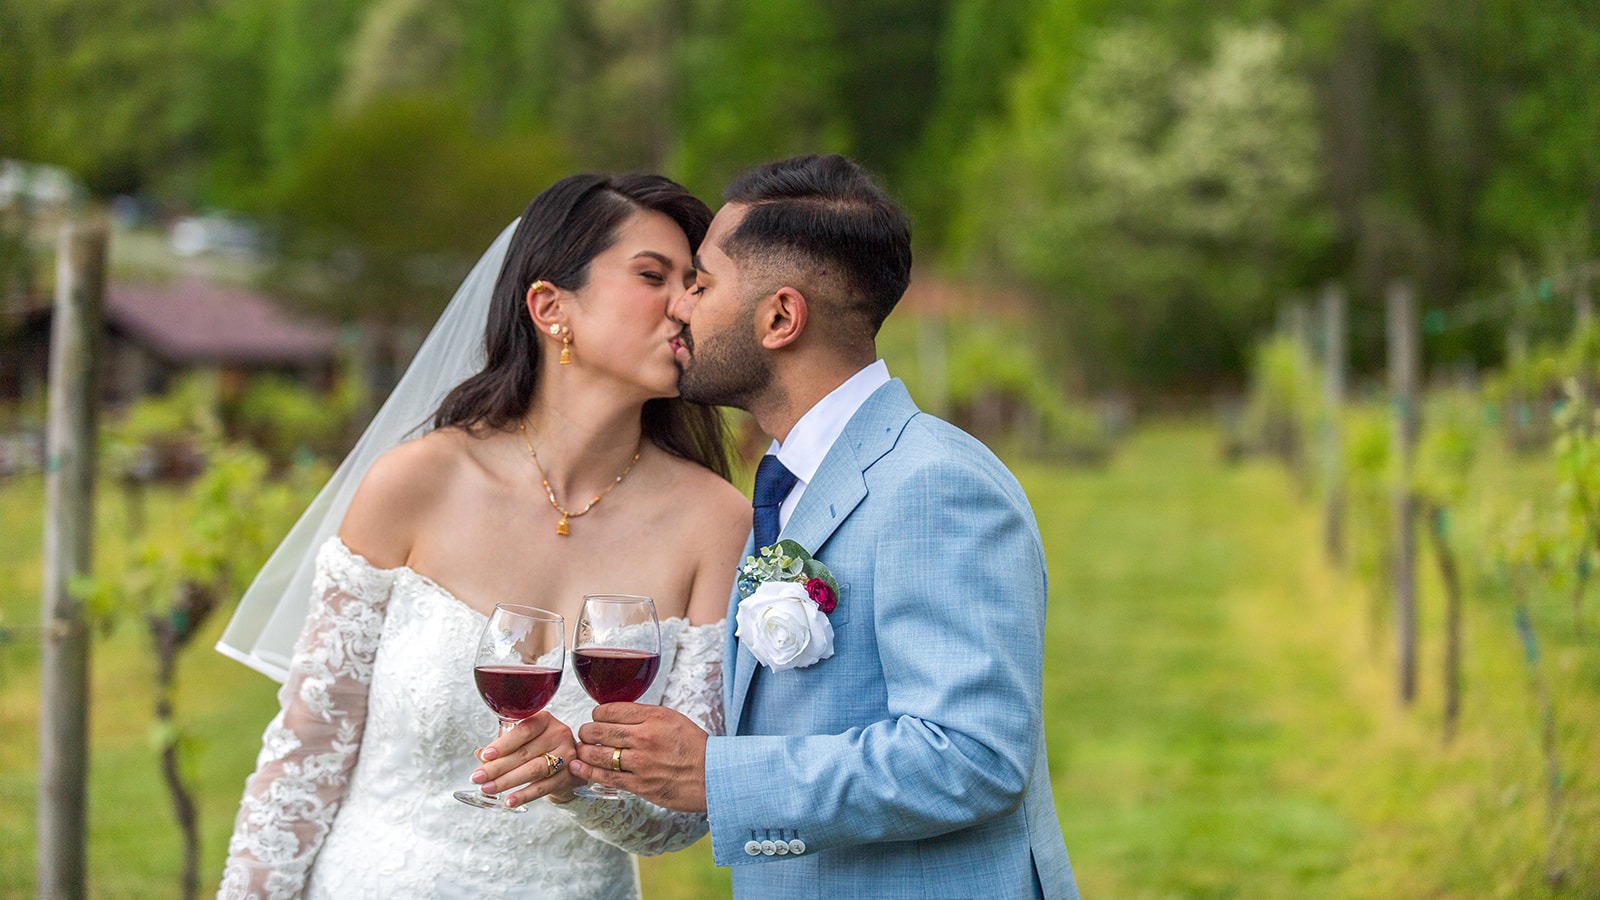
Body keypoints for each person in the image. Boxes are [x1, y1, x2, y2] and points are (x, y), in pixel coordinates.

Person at [478, 154, 1079, 897]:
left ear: (780, 318)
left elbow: (970, 757)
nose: (680, 309)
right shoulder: (791, 485)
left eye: (700, 283)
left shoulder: (933, 485)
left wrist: (717, 773)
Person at [215, 173, 751, 899]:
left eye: (693, 284)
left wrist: (580, 785)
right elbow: (303, 757)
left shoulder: (717, 523)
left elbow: (689, 807)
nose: (683, 305)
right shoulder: (415, 484)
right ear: (549, 306)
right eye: (652, 276)